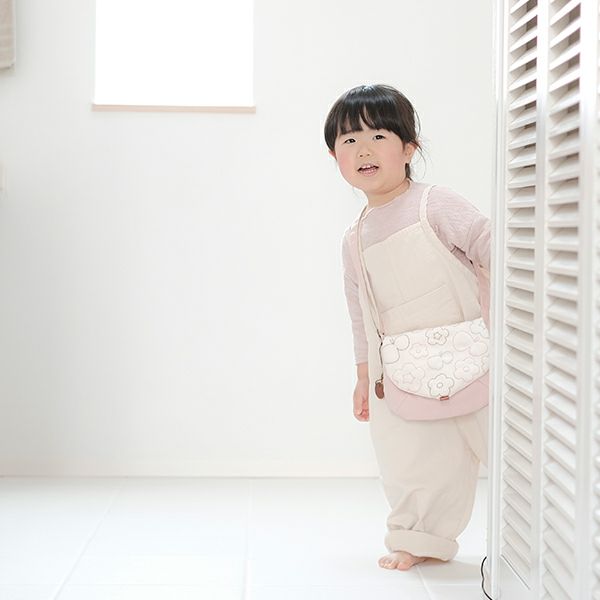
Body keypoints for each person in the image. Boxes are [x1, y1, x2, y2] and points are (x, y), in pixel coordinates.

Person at [324, 84, 491, 571]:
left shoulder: (435, 204)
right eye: (349, 140)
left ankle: (551, 523)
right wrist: (363, 375)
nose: (364, 149)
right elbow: (362, 314)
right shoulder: (354, 238)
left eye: (378, 136)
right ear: (334, 156)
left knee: (509, 443)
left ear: (409, 148)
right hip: (405, 364)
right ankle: (420, 536)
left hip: (475, 349)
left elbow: (490, 246)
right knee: (413, 457)